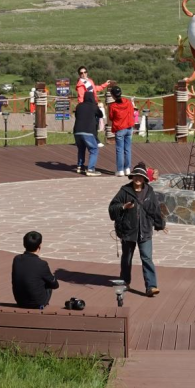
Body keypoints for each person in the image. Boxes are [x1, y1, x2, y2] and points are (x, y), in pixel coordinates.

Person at [109, 164, 166, 296]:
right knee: (126, 258)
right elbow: (112, 207)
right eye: (136, 176)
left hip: (145, 231)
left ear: (144, 178)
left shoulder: (149, 192)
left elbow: (155, 209)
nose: (138, 178)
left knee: (147, 258)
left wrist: (160, 225)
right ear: (132, 177)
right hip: (128, 230)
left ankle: (151, 286)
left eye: (140, 176)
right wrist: (124, 206)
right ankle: (125, 282)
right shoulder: (124, 191)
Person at [11, 231, 59, 309]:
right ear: (39, 246)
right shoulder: (42, 264)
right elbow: (55, 285)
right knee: (48, 281)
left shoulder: (17, 259)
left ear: (24, 244)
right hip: (38, 303)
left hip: (20, 301)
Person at [107, 86, 136, 176]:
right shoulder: (127, 102)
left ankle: (120, 170)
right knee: (127, 149)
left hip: (119, 128)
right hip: (129, 127)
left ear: (112, 95)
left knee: (119, 150)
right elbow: (132, 112)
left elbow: (111, 117)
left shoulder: (113, 106)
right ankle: (127, 169)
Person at [74, 89, 103, 176]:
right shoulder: (93, 106)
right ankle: (90, 169)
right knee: (93, 149)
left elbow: (76, 115)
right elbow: (100, 115)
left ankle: (80, 166)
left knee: (81, 149)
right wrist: (97, 107)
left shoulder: (79, 106)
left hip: (77, 131)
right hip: (88, 131)